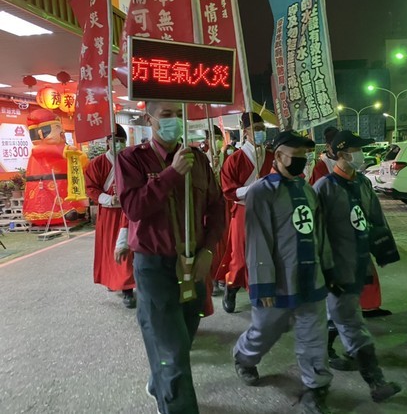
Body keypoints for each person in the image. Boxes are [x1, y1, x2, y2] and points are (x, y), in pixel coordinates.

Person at [116, 101, 226, 414]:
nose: (174, 121)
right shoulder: (131, 160)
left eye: (178, 115)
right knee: (173, 350)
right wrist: (171, 174)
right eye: (166, 115)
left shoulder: (199, 159)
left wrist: (208, 250)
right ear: (149, 120)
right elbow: (134, 208)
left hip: (194, 262)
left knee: (184, 337)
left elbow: (218, 206)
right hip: (155, 267)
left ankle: (160, 381)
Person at [233, 130, 333, 414]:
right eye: (296, 156)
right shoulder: (261, 192)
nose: (302, 162)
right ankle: (244, 357)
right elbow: (257, 241)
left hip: (310, 276)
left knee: (313, 334)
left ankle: (316, 386)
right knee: (265, 329)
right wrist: (263, 285)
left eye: (305, 156)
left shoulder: (307, 190)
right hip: (278, 281)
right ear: (278, 156)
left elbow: (318, 234)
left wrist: (327, 268)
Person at [314, 130, 401, 403]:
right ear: (341, 154)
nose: (361, 155)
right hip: (336, 267)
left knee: (340, 312)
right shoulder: (323, 188)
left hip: (360, 262)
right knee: (351, 321)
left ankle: (326, 352)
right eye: (356, 149)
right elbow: (317, 234)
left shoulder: (363, 183)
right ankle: (376, 382)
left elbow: (375, 219)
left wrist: (384, 250)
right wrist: (324, 270)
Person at [217, 112, 274, 313]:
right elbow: (228, 191)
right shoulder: (234, 159)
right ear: (245, 131)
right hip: (243, 211)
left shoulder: (272, 156)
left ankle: (260, 291)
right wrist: (253, 187)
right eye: (256, 129)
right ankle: (231, 288)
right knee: (240, 257)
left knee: (265, 254)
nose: (260, 133)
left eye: (262, 129)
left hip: (267, 211)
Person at [84, 124, 135, 308]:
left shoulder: (130, 160)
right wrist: (107, 198)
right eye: (115, 140)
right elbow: (91, 188)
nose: (118, 144)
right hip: (108, 213)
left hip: (127, 211)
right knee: (109, 249)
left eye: (122, 141)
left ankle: (128, 288)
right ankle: (113, 280)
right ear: (107, 141)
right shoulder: (98, 163)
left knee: (126, 249)